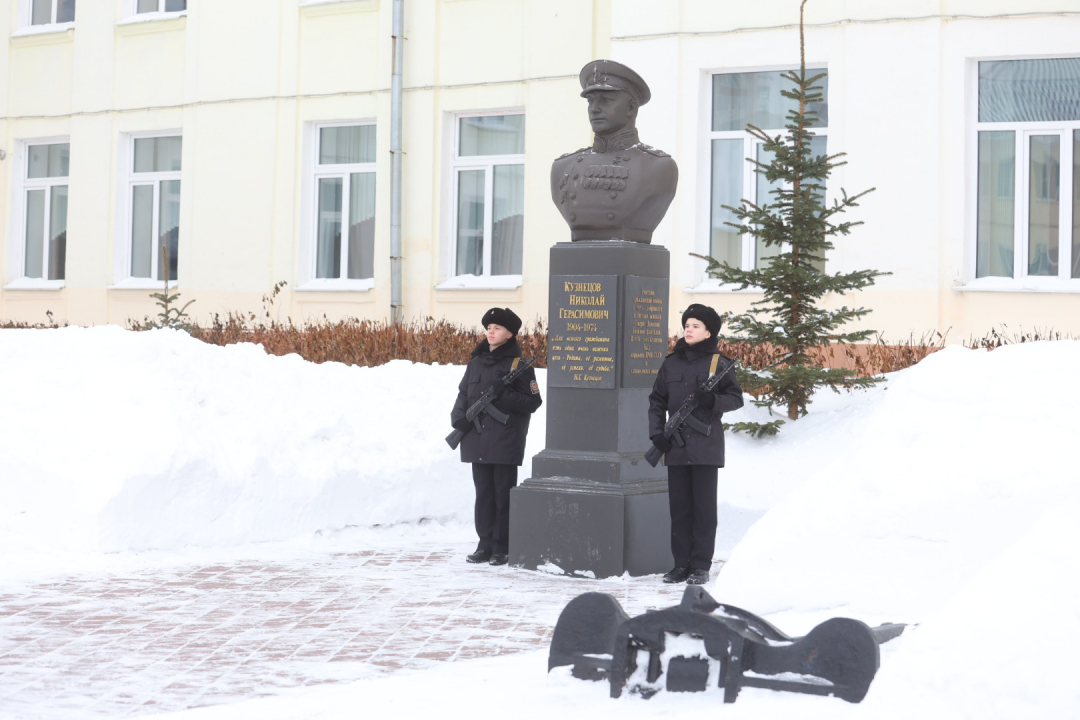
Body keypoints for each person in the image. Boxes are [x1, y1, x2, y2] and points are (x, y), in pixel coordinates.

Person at [648, 304, 743, 585]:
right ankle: (680, 565)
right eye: (687, 325)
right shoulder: (671, 364)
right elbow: (656, 402)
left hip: (705, 448)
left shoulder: (719, 364)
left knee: (703, 510)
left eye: (695, 326)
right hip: (675, 447)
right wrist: (657, 434)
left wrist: (713, 401)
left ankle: (700, 565)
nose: (688, 329)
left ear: (708, 332)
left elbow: (736, 398)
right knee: (680, 510)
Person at [451, 308, 542, 566]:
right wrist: (458, 417)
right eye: (489, 327)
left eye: (497, 328)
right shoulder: (476, 362)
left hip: (505, 438)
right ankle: (484, 544)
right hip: (477, 437)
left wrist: (504, 393)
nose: (491, 332)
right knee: (484, 495)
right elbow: (462, 394)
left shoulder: (519, 366)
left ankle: (501, 547)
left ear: (509, 334)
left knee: (503, 494)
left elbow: (533, 402)